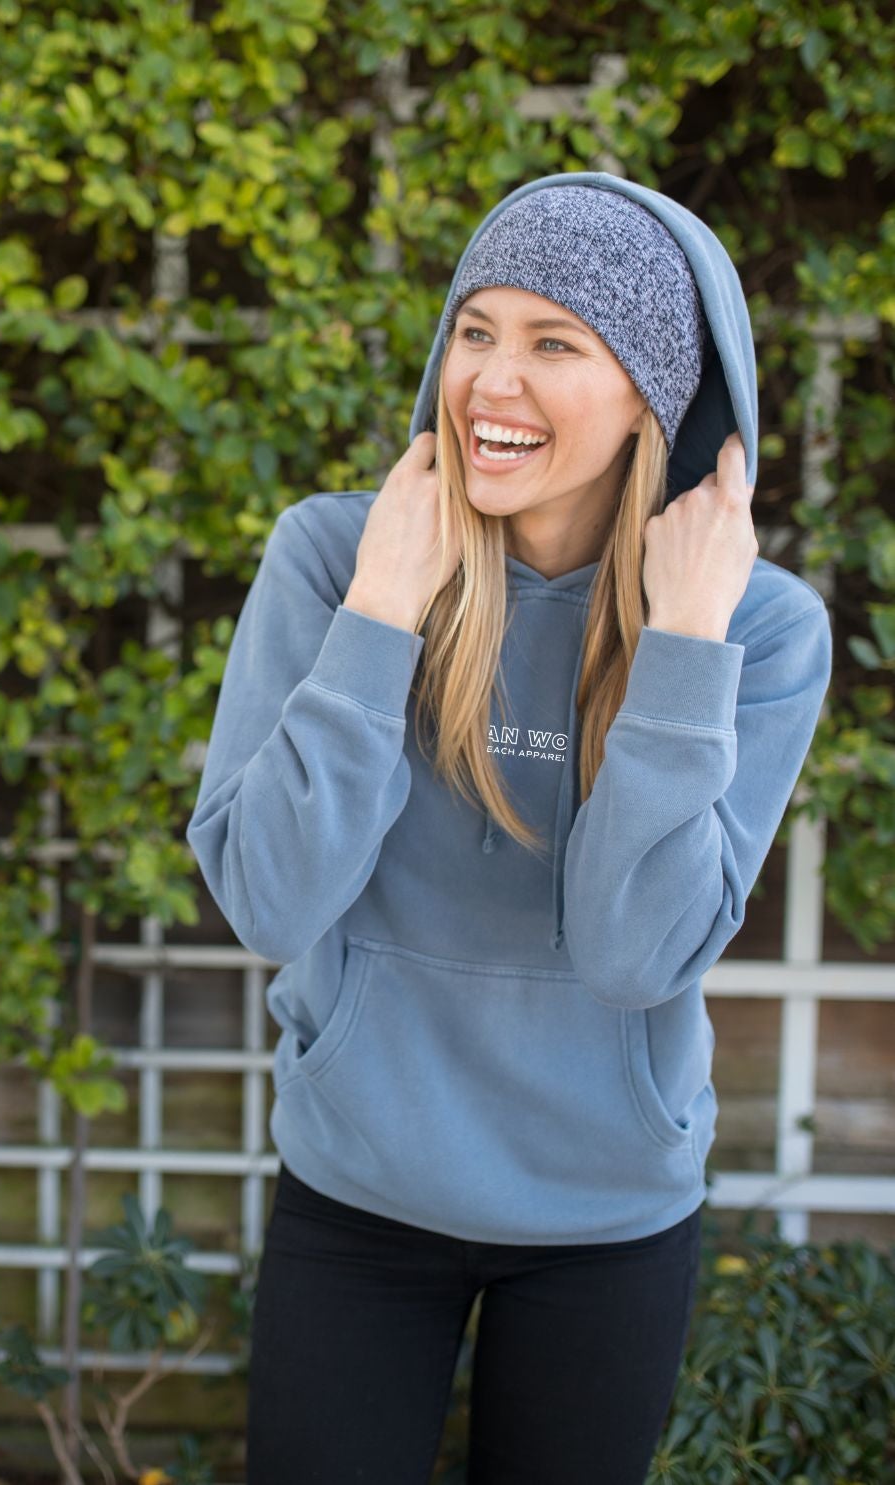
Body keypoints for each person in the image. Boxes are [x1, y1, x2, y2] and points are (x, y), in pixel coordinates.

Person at [184, 174, 834, 1484]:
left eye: (553, 343)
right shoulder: (331, 556)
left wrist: (684, 646)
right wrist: (380, 612)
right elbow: (265, 896)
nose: (489, 378)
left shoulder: (757, 628)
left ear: (650, 388)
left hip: (602, 1220)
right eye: (475, 330)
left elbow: (634, 954)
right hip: (356, 1196)